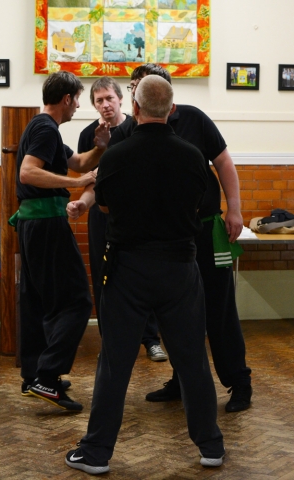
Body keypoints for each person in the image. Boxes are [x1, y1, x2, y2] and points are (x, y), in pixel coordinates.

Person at [68, 63, 252, 413]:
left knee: (219, 308)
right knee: (176, 313)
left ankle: (238, 382)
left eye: (144, 89)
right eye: (136, 88)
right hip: (168, 240)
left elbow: (225, 164)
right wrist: (83, 201)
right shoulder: (130, 131)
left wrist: (235, 211)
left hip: (206, 228)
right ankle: (181, 380)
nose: (139, 96)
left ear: (164, 97)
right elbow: (103, 177)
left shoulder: (195, 120)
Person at [10, 71, 110, 411]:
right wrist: (77, 182)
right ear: (66, 99)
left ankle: (35, 376)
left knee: (39, 301)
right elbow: (28, 172)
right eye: (78, 99)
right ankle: (47, 376)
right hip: (45, 223)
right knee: (78, 301)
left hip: (33, 225)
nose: (79, 106)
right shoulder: (43, 128)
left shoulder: (44, 129)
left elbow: (78, 162)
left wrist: (100, 146)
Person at [76, 76, 168, 361]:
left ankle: (150, 339)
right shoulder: (88, 134)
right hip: (100, 215)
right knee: (104, 279)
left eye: (109, 99)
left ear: (121, 99)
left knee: (142, 275)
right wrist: (82, 201)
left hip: (133, 216)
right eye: (98, 101)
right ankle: (110, 339)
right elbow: (90, 179)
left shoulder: (136, 126)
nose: (105, 105)